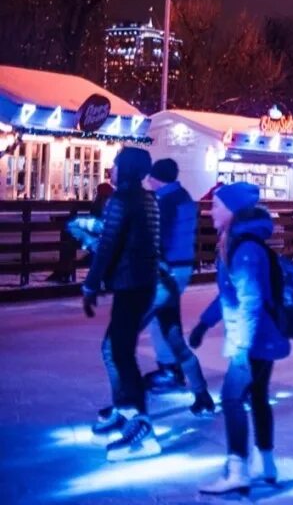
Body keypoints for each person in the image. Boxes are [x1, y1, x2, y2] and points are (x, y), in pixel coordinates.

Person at [191, 183, 290, 496]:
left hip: (254, 340)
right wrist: (205, 323)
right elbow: (229, 294)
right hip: (262, 337)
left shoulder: (245, 249)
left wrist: (243, 348)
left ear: (232, 211)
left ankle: (238, 470)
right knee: (258, 397)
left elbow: (249, 300)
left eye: (216, 206)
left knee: (233, 399)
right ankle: (267, 464)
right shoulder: (236, 244)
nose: (210, 211)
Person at [83, 147, 163, 461]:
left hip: (131, 285)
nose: (111, 168)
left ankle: (141, 427)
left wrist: (91, 284)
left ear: (125, 169)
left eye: (115, 163)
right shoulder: (147, 199)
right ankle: (124, 410)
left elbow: (107, 246)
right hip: (142, 283)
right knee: (115, 350)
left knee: (119, 352)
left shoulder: (121, 200)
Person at [140, 159, 214, 414]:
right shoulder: (181, 196)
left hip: (168, 268)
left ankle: (171, 370)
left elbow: (160, 237)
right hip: (178, 266)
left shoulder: (167, 202)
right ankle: (178, 374)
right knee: (163, 322)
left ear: (158, 178)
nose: (148, 181)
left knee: (158, 322)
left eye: (151, 177)